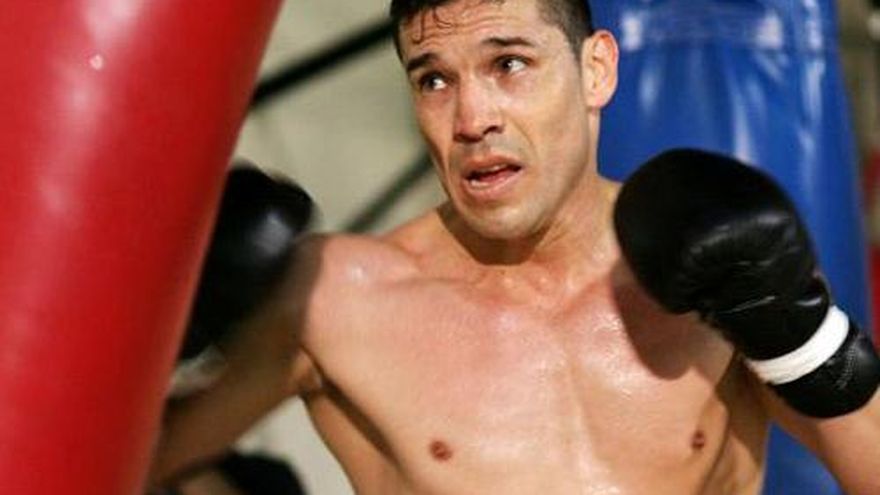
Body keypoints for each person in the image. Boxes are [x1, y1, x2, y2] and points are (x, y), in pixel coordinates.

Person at [148, 0, 880, 493]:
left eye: (509, 65)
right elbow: (124, 468)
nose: (471, 118)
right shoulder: (336, 298)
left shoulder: (718, 263)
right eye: (434, 79)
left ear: (596, 69)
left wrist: (801, 335)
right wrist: (149, 338)